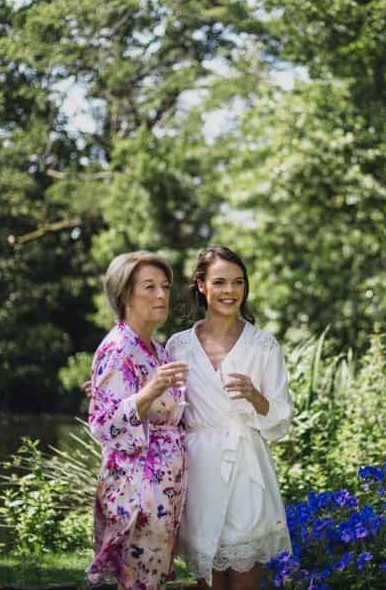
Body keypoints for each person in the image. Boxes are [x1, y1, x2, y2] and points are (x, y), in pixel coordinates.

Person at [166, 246, 293, 590]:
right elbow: (165, 409)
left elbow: (281, 420)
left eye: (238, 282)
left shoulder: (263, 346)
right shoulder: (178, 346)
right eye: (220, 282)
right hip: (198, 471)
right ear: (201, 286)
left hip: (245, 469)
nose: (230, 291)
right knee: (209, 580)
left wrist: (255, 396)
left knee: (244, 580)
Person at [85, 251, 190, 590]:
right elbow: (103, 425)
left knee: (149, 580)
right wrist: (151, 389)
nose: (162, 295)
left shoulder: (157, 349)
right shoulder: (118, 348)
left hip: (163, 490)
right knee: (133, 581)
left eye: (165, 286)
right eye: (150, 286)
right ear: (125, 294)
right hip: (135, 491)